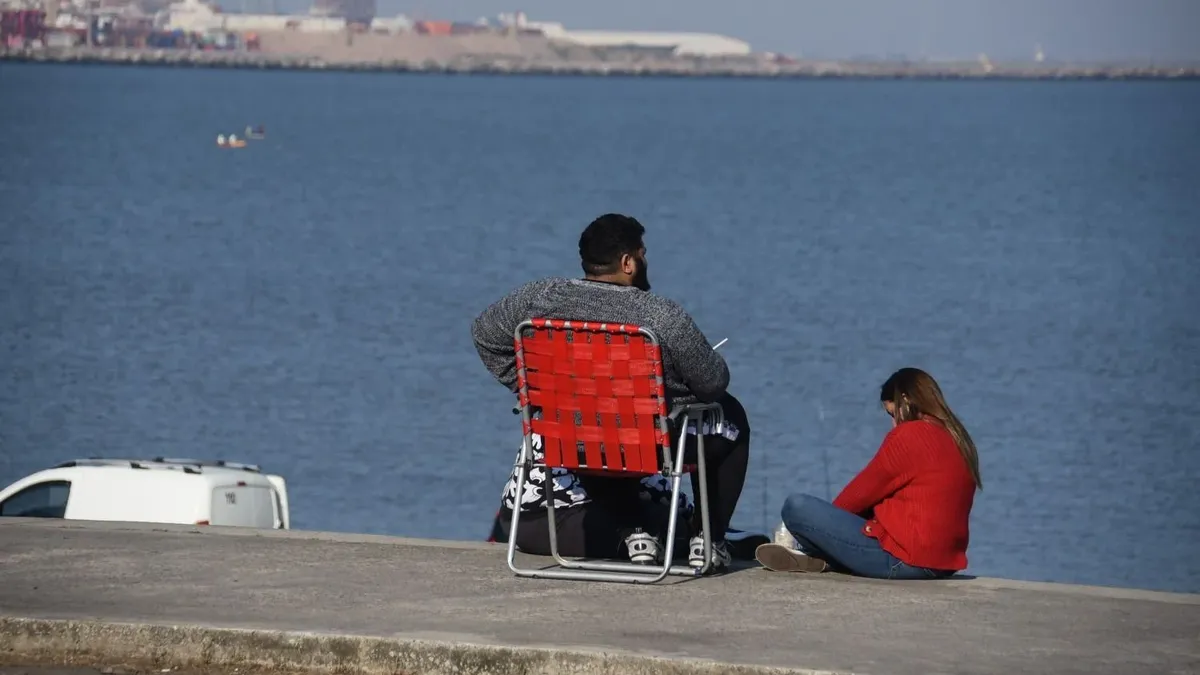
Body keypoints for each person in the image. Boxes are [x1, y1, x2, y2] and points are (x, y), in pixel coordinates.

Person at [471, 213, 752, 572]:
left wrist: (531, 389)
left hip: (571, 436)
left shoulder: (540, 297)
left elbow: (484, 333)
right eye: (643, 253)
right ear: (627, 262)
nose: (645, 260)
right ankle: (708, 540)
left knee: (592, 418)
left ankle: (635, 532)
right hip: (644, 441)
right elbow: (714, 382)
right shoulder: (660, 315)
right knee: (732, 416)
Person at [756, 367, 981, 579]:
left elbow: (857, 496)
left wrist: (822, 530)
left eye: (892, 414)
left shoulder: (909, 435)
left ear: (905, 400)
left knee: (796, 507)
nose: (894, 424)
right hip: (943, 564)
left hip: (905, 560)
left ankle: (809, 551)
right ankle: (820, 558)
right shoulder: (958, 439)